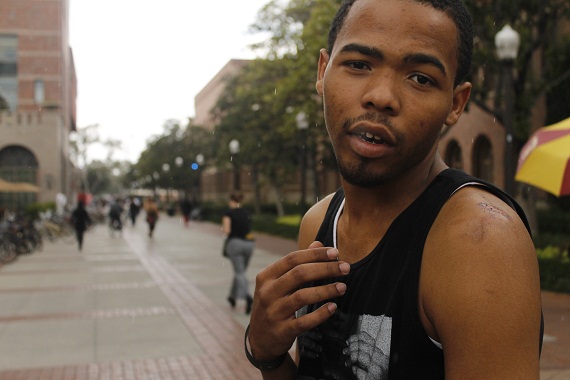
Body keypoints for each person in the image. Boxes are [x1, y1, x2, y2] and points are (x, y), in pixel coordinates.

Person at [246, 0, 543, 378]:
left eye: (420, 78)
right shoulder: (319, 224)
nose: (382, 96)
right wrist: (268, 354)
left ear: (455, 103)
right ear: (323, 71)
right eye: (358, 64)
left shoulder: (478, 240)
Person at [222, 191, 255, 314]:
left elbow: (226, 230)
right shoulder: (246, 213)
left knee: (239, 272)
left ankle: (247, 297)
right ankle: (232, 296)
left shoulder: (228, 213)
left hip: (235, 244)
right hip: (249, 244)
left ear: (231, 201)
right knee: (240, 272)